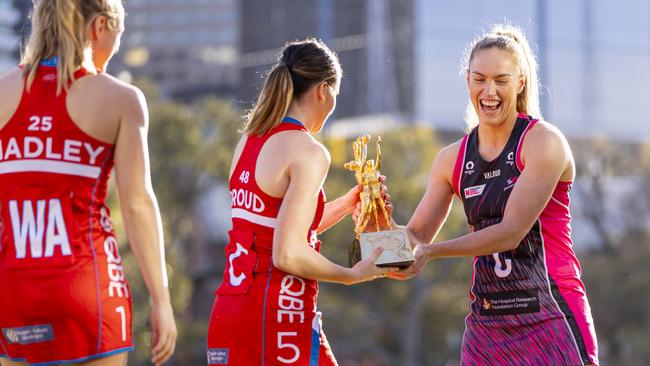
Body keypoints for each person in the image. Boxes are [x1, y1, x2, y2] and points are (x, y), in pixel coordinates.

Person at [393, 23, 599, 365]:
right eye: (480, 79)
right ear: (468, 80)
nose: (489, 91)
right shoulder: (451, 158)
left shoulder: (543, 142)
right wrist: (374, 229)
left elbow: (511, 231)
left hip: (551, 317)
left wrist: (431, 251)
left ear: (520, 82)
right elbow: (414, 236)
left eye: (501, 80)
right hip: (487, 326)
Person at [0, 1, 176, 365]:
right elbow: (138, 203)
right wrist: (161, 301)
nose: (114, 50)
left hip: (13, 293)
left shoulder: (3, 92)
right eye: (117, 36)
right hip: (88, 292)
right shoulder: (121, 99)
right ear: (99, 27)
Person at [207, 38, 396, 366]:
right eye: (336, 90)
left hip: (229, 313)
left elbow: (278, 229)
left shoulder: (248, 140)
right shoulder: (309, 151)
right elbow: (287, 252)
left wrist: (345, 204)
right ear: (324, 89)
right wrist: (352, 274)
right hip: (276, 315)